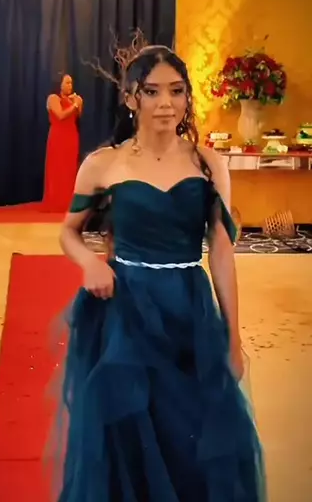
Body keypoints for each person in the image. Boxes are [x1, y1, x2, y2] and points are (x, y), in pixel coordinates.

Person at [50, 43, 266, 501]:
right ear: (131, 97)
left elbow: (221, 252)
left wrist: (233, 338)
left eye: (176, 91)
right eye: (152, 91)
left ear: (187, 97)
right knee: (129, 432)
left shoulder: (208, 164)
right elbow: (69, 232)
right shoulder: (103, 164)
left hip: (190, 312)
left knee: (191, 434)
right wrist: (89, 263)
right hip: (125, 313)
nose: (166, 103)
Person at [43, 74, 83, 212]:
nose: (70, 86)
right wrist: (75, 104)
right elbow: (60, 115)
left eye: (71, 83)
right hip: (58, 136)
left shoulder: (72, 99)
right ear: (59, 84)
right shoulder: (53, 98)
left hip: (72, 136)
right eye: (67, 83)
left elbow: (77, 115)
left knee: (70, 169)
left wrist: (79, 103)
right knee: (58, 169)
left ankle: (69, 201)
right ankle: (56, 201)